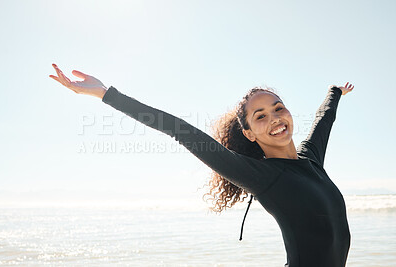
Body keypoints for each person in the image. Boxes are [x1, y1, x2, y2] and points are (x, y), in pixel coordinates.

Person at [49, 63, 354, 267]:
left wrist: (334, 93)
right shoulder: (262, 177)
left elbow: (323, 119)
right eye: (260, 116)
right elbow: (179, 129)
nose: (274, 118)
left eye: (278, 108)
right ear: (248, 133)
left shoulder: (311, 158)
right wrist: (105, 94)